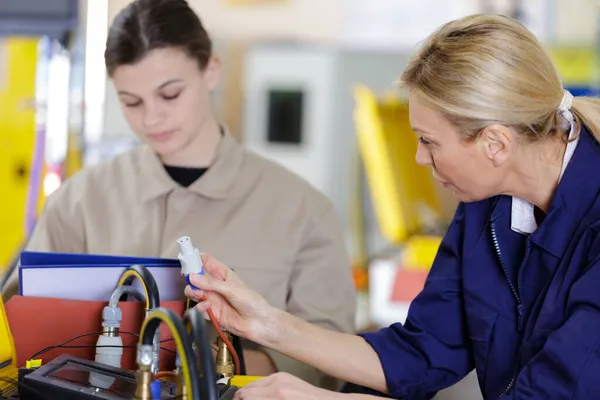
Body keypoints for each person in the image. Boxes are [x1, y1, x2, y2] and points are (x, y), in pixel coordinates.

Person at [183, 13, 600, 399]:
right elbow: (421, 353)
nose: (420, 157)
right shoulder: (485, 203)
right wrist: (268, 324)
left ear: (495, 143)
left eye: (429, 141)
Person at [1, 0, 356, 384]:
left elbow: (329, 357)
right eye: (131, 102)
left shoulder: (303, 210)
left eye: (170, 94)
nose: (151, 117)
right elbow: (13, 324)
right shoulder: (80, 200)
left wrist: (207, 369)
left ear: (210, 70)